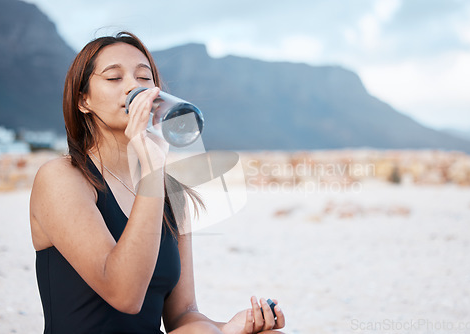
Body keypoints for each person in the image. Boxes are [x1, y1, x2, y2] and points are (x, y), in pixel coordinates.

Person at [29, 31, 286, 334]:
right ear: (83, 100)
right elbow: (124, 295)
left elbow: (183, 315)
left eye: (144, 78)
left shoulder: (171, 192)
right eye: (114, 78)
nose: (134, 88)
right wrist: (151, 169)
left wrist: (232, 326)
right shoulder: (61, 177)